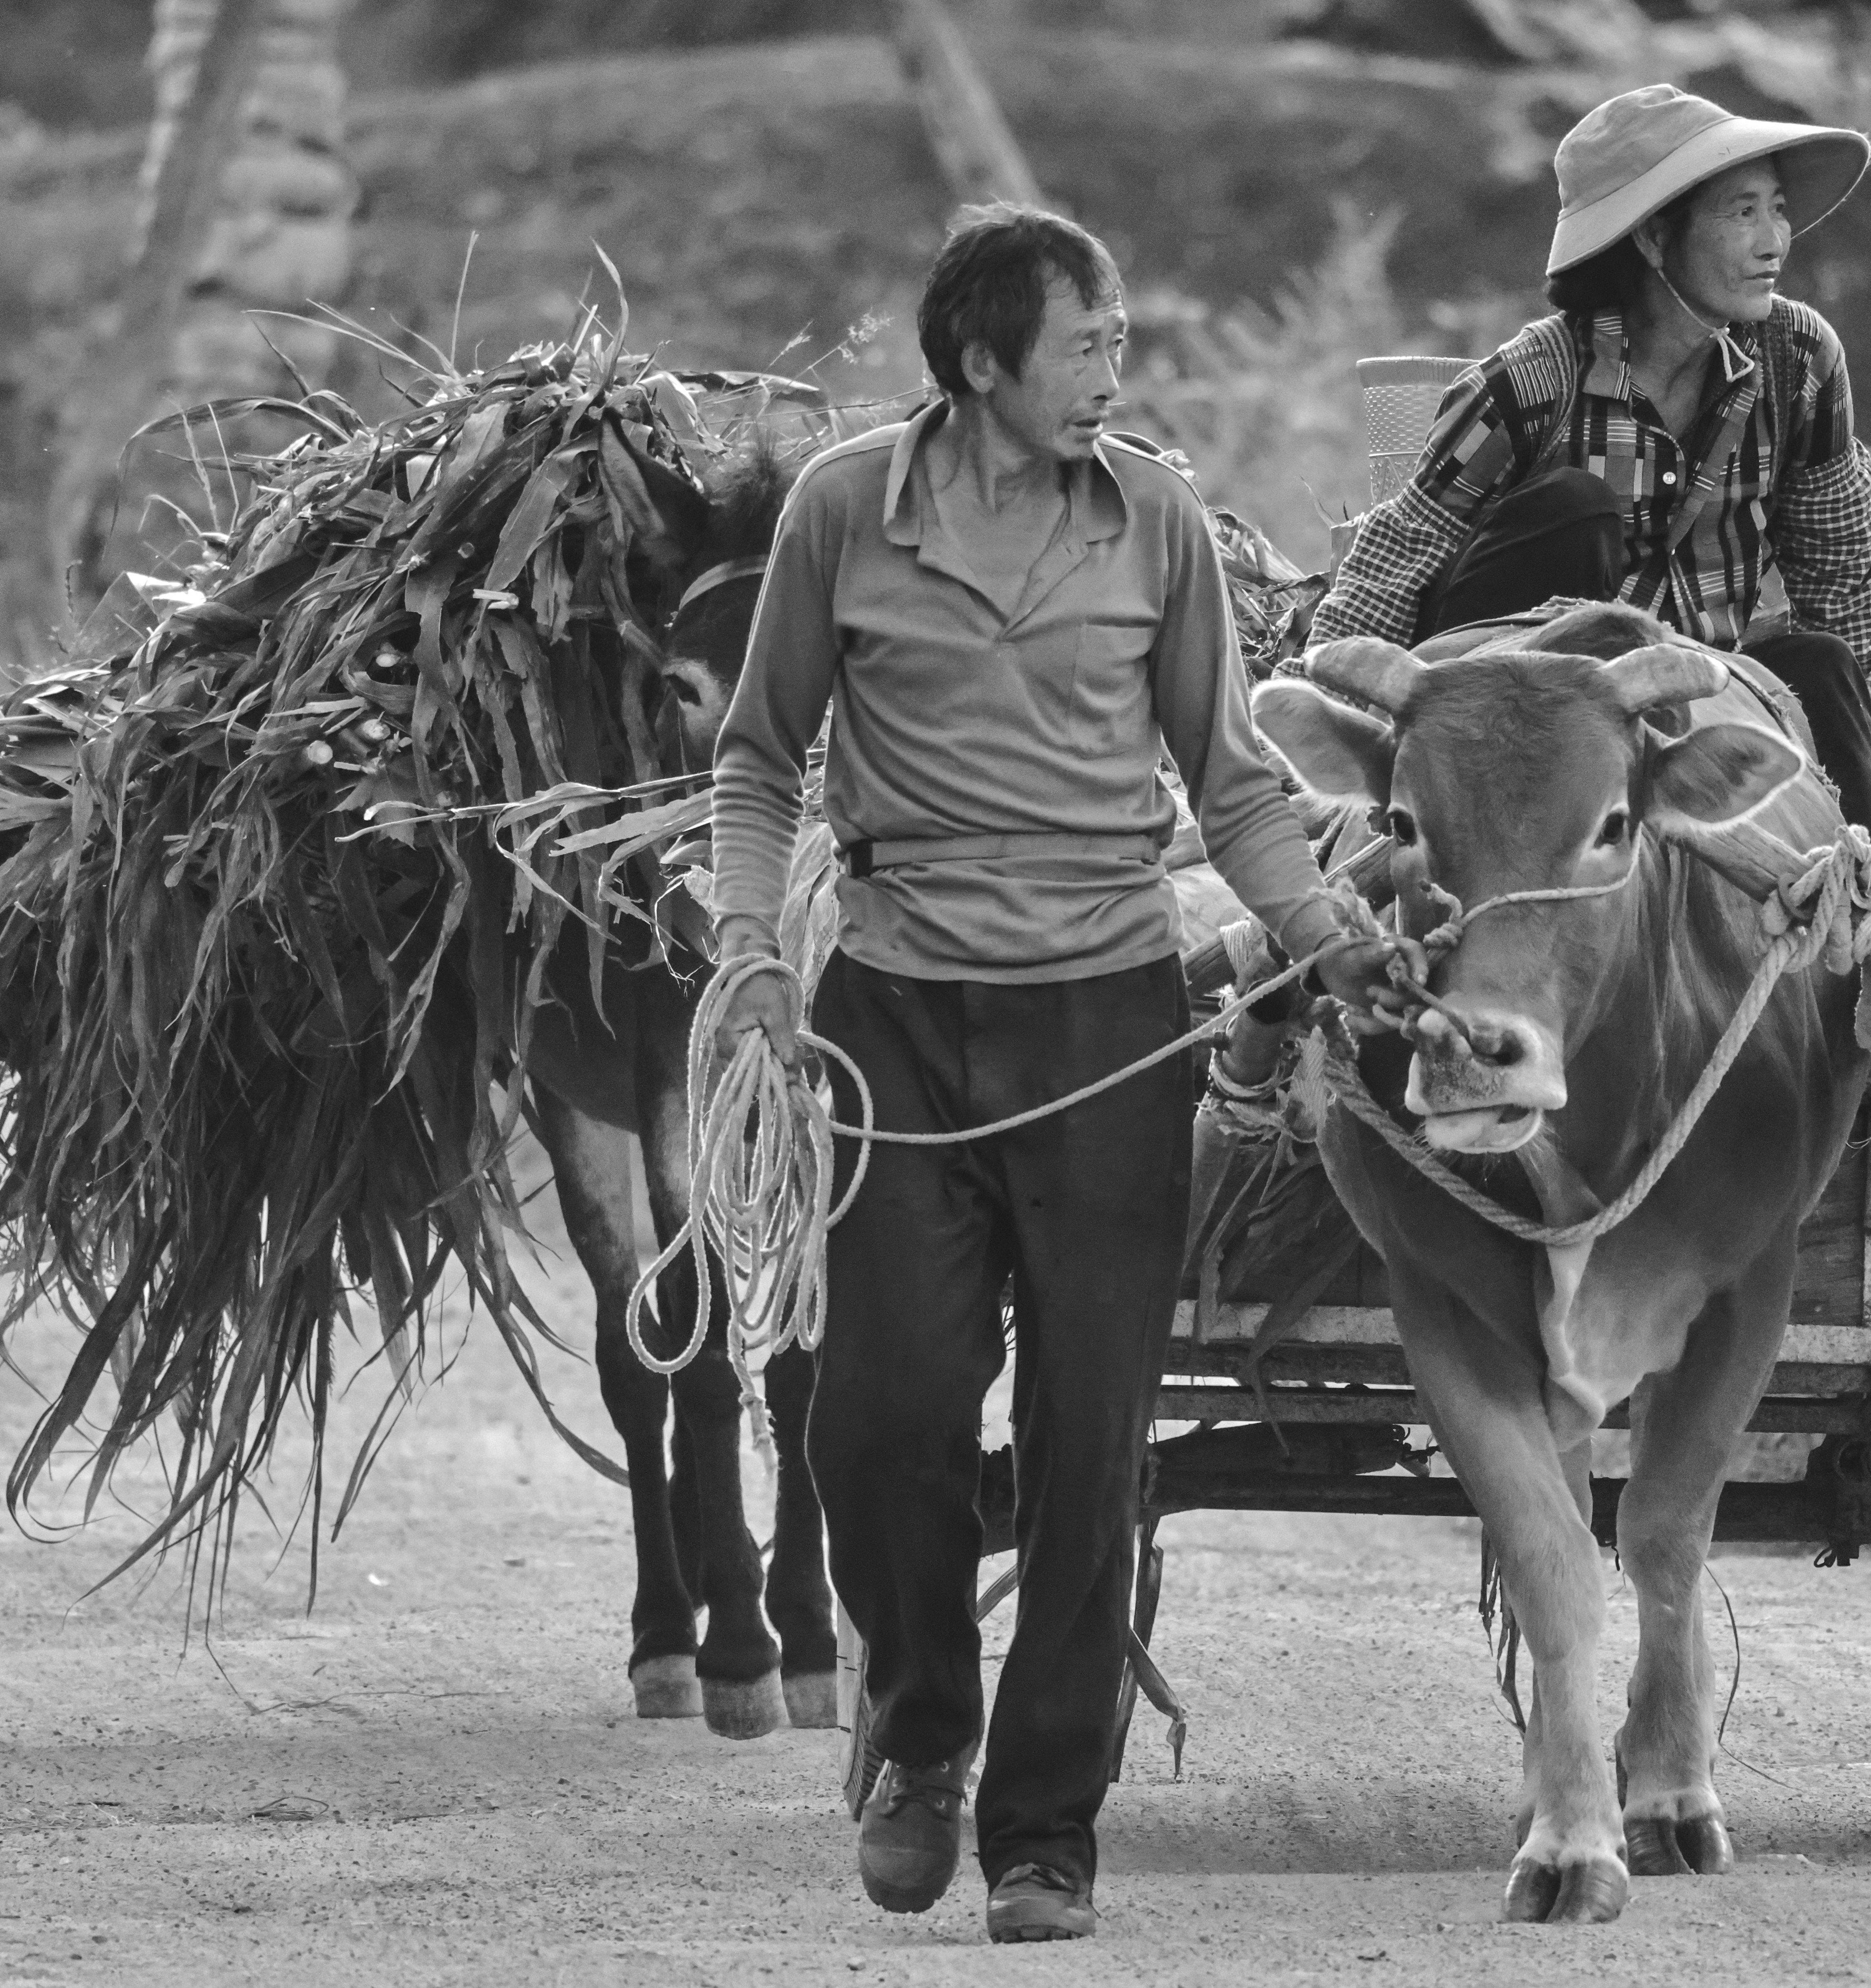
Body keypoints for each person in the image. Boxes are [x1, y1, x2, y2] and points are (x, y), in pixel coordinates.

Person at [708, 205, 1392, 1942]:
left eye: (1119, 345)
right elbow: (758, 763)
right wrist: (749, 958)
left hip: (1105, 1020)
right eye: (1085, 346)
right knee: (882, 1418)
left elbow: (1233, 784)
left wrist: (1331, 935)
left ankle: (1044, 1830)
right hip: (896, 1025)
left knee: (1093, 1443)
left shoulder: (1152, 515)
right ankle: (921, 1734)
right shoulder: (843, 514)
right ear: (980, 363)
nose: (1115, 375)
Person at [1315, 82, 1871, 842]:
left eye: (1777, 208)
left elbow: (1840, 567)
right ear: (1653, 239)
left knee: (1820, 663)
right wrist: (1331, 723)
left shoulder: (1798, 359)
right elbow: (1398, 557)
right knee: (1572, 508)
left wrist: (1870, 717)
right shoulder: (1528, 382)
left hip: (1689, 684)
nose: (1775, 242)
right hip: (1514, 699)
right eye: (1741, 212)